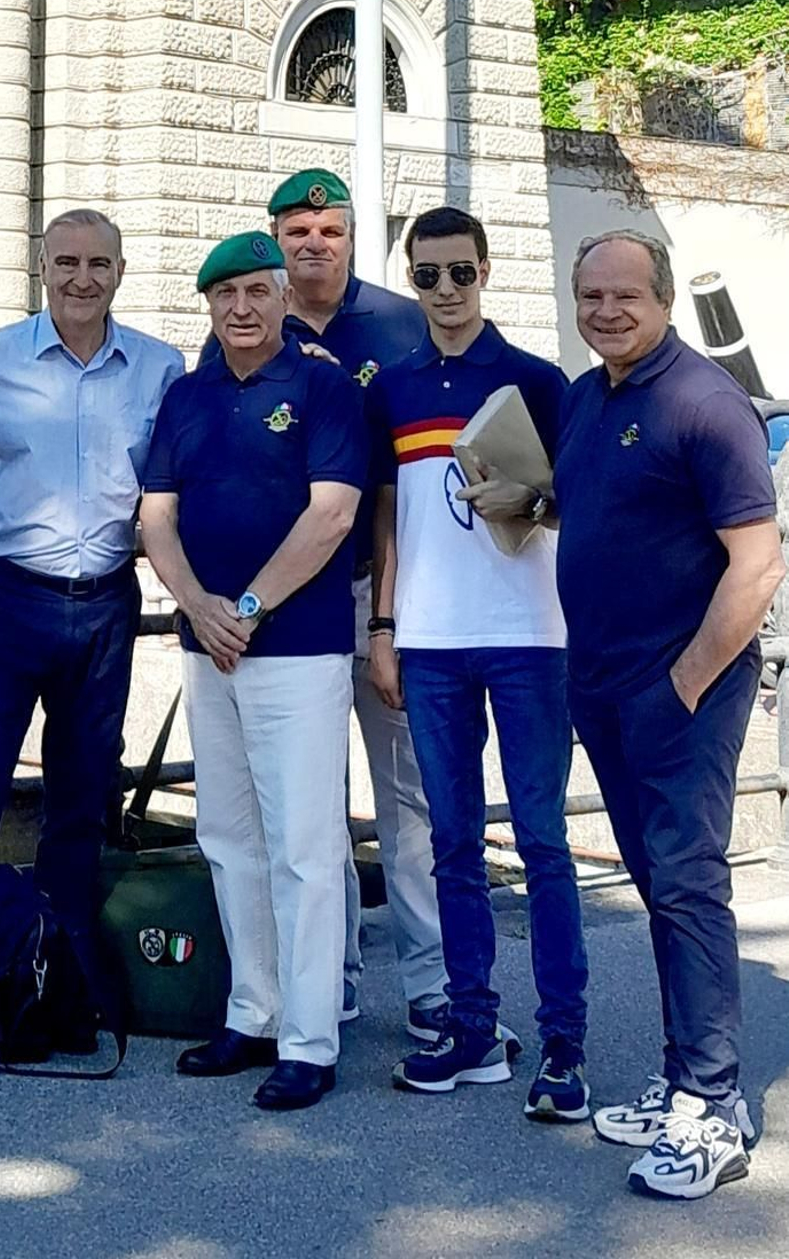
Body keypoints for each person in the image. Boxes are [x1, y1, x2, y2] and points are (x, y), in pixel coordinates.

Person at [554, 230, 784, 1205]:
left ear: (663, 301)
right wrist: (519, 498)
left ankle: (715, 1108)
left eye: (626, 296)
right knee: (657, 884)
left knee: (686, 884)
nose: (606, 311)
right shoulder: (586, 397)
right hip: (603, 684)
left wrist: (684, 681)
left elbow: (757, 563)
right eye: (591, 296)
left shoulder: (703, 401)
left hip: (683, 690)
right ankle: (683, 1075)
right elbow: (594, 510)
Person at [0, 209, 183, 1001]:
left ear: (121, 272)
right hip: (7, 602)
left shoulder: (160, 369)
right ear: (42, 268)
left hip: (105, 606)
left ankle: (62, 981)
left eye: (98, 264)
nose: (81, 279)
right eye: (66, 262)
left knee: (83, 800)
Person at [364, 205, 587, 1117]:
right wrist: (383, 628)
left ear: (486, 272)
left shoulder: (537, 379)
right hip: (430, 640)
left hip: (531, 637)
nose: (446, 290)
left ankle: (564, 1045)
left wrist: (531, 500)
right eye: (427, 275)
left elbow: (578, 505)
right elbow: (387, 518)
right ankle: (472, 1028)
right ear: (411, 280)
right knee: (451, 843)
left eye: (461, 272)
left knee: (541, 841)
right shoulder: (393, 387)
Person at [140, 232, 364, 1112]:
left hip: (296, 649)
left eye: (256, 292)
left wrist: (246, 607)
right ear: (208, 304)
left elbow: (333, 514)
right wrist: (197, 605)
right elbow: (156, 515)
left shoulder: (322, 388)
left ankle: (309, 1038)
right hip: (210, 648)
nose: (240, 308)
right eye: (225, 294)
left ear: (281, 298)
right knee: (229, 838)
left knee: (304, 848)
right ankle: (253, 1012)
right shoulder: (186, 396)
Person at [260, 170, 445, 1039]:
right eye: (297, 232)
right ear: (276, 240)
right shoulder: (250, 321)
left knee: (410, 803)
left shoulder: (405, 323)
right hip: (295, 598)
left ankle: (433, 985)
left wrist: (394, 615)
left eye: (329, 230)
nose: (314, 244)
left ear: (351, 238)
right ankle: (327, 980)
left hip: (386, 586)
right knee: (311, 807)